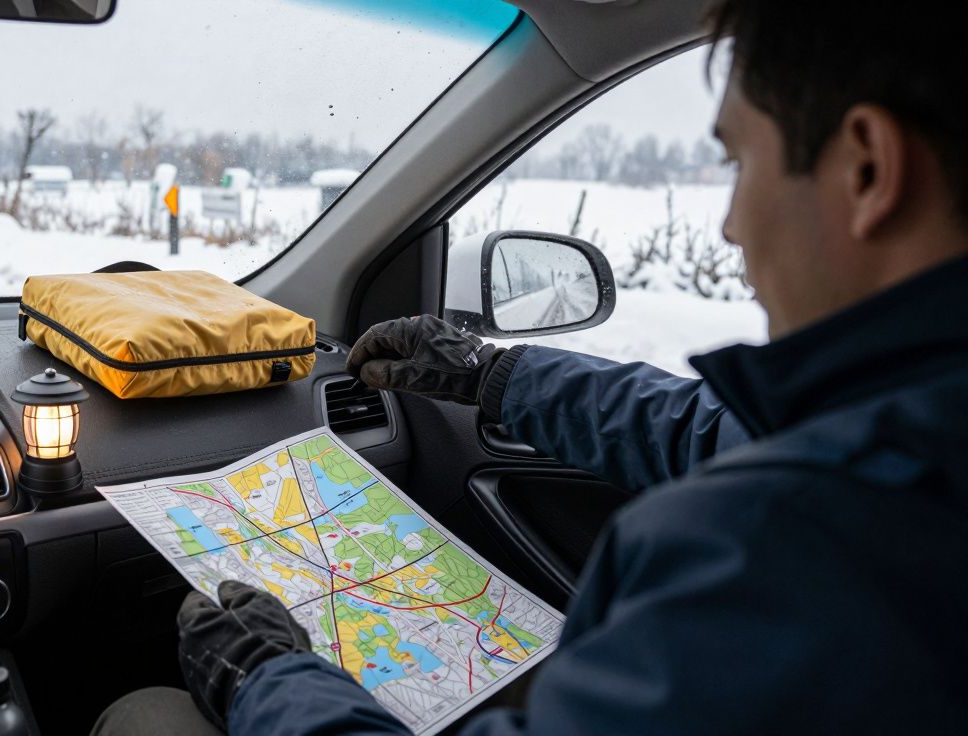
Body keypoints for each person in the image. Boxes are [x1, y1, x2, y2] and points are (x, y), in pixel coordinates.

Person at [95, 1, 968, 733]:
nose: (735, 227)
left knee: (143, 713)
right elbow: (717, 429)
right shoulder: (905, 438)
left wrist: (263, 678)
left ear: (866, 167)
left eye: (742, 163)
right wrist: (489, 376)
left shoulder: (779, 552)